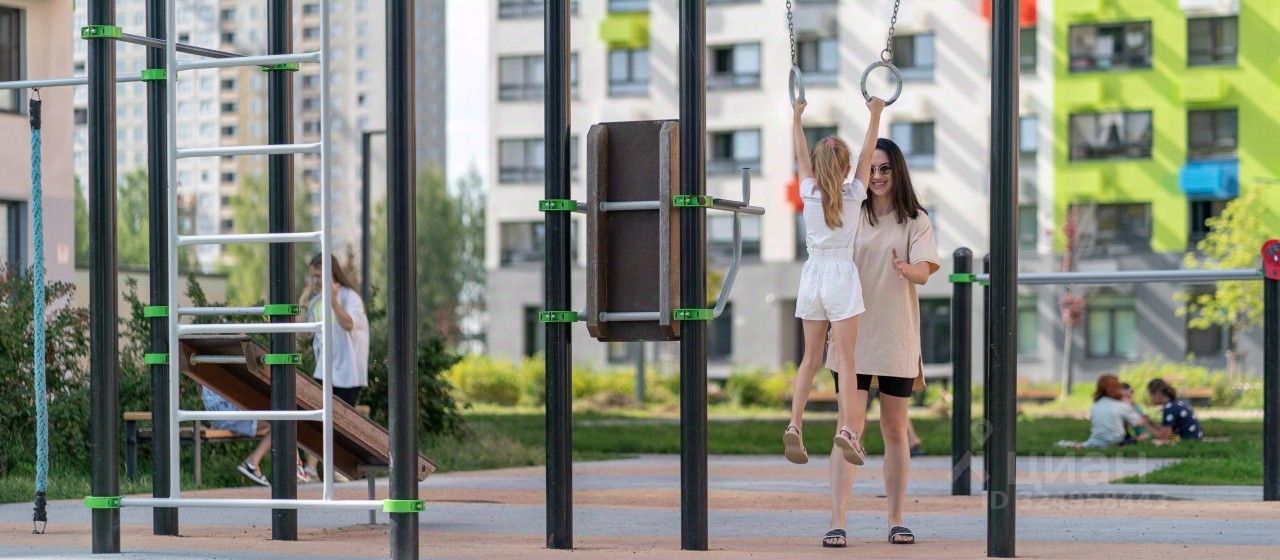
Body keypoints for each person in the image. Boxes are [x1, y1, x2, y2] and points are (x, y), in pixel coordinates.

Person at [824, 136, 940, 547]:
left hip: (895, 337)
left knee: (894, 428)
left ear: (897, 170)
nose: (876, 176)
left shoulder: (916, 219)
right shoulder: (849, 212)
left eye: (885, 168)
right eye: (871, 168)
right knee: (848, 429)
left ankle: (896, 519)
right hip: (851, 337)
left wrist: (909, 270)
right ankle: (837, 522)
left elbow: (925, 270)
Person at [298, 254, 370, 482]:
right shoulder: (316, 301)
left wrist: (333, 300)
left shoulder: (350, 297)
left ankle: (340, 466)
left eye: (319, 276)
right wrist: (303, 300)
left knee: (341, 422)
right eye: (312, 276)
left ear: (332, 274)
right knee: (317, 418)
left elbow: (348, 324)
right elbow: (302, 333)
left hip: (349, 371)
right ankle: (311, 469)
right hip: (325, 369)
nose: (315, 280)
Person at [1078, 374, 1145, 449]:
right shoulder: (1121, 406)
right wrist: (1130, 406)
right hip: (1117, 441)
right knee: (1143, 435)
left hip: (1095, 441)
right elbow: (1139, 422)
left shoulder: (1095, 406)